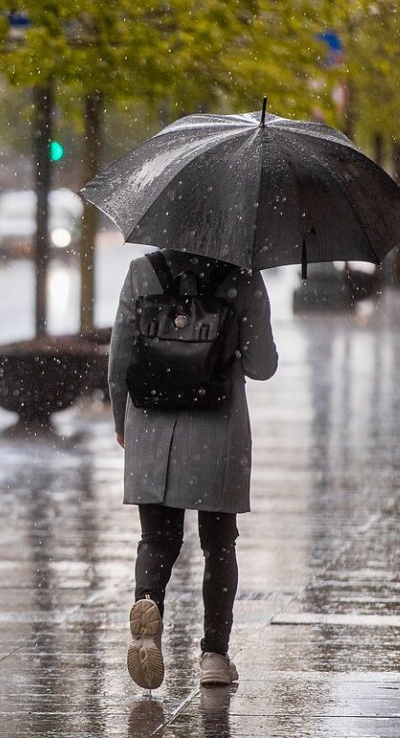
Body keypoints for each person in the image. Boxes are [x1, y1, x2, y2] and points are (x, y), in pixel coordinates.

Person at [108, 248, 278, 690]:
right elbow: (262, 367)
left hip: (150, 422)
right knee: (219, 544)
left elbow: (119, 358)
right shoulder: (241, 276)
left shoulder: (142, 272)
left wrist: (119, 421)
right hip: (216, 428)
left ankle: (148, 605)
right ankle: (214, 657)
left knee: (157, 540)